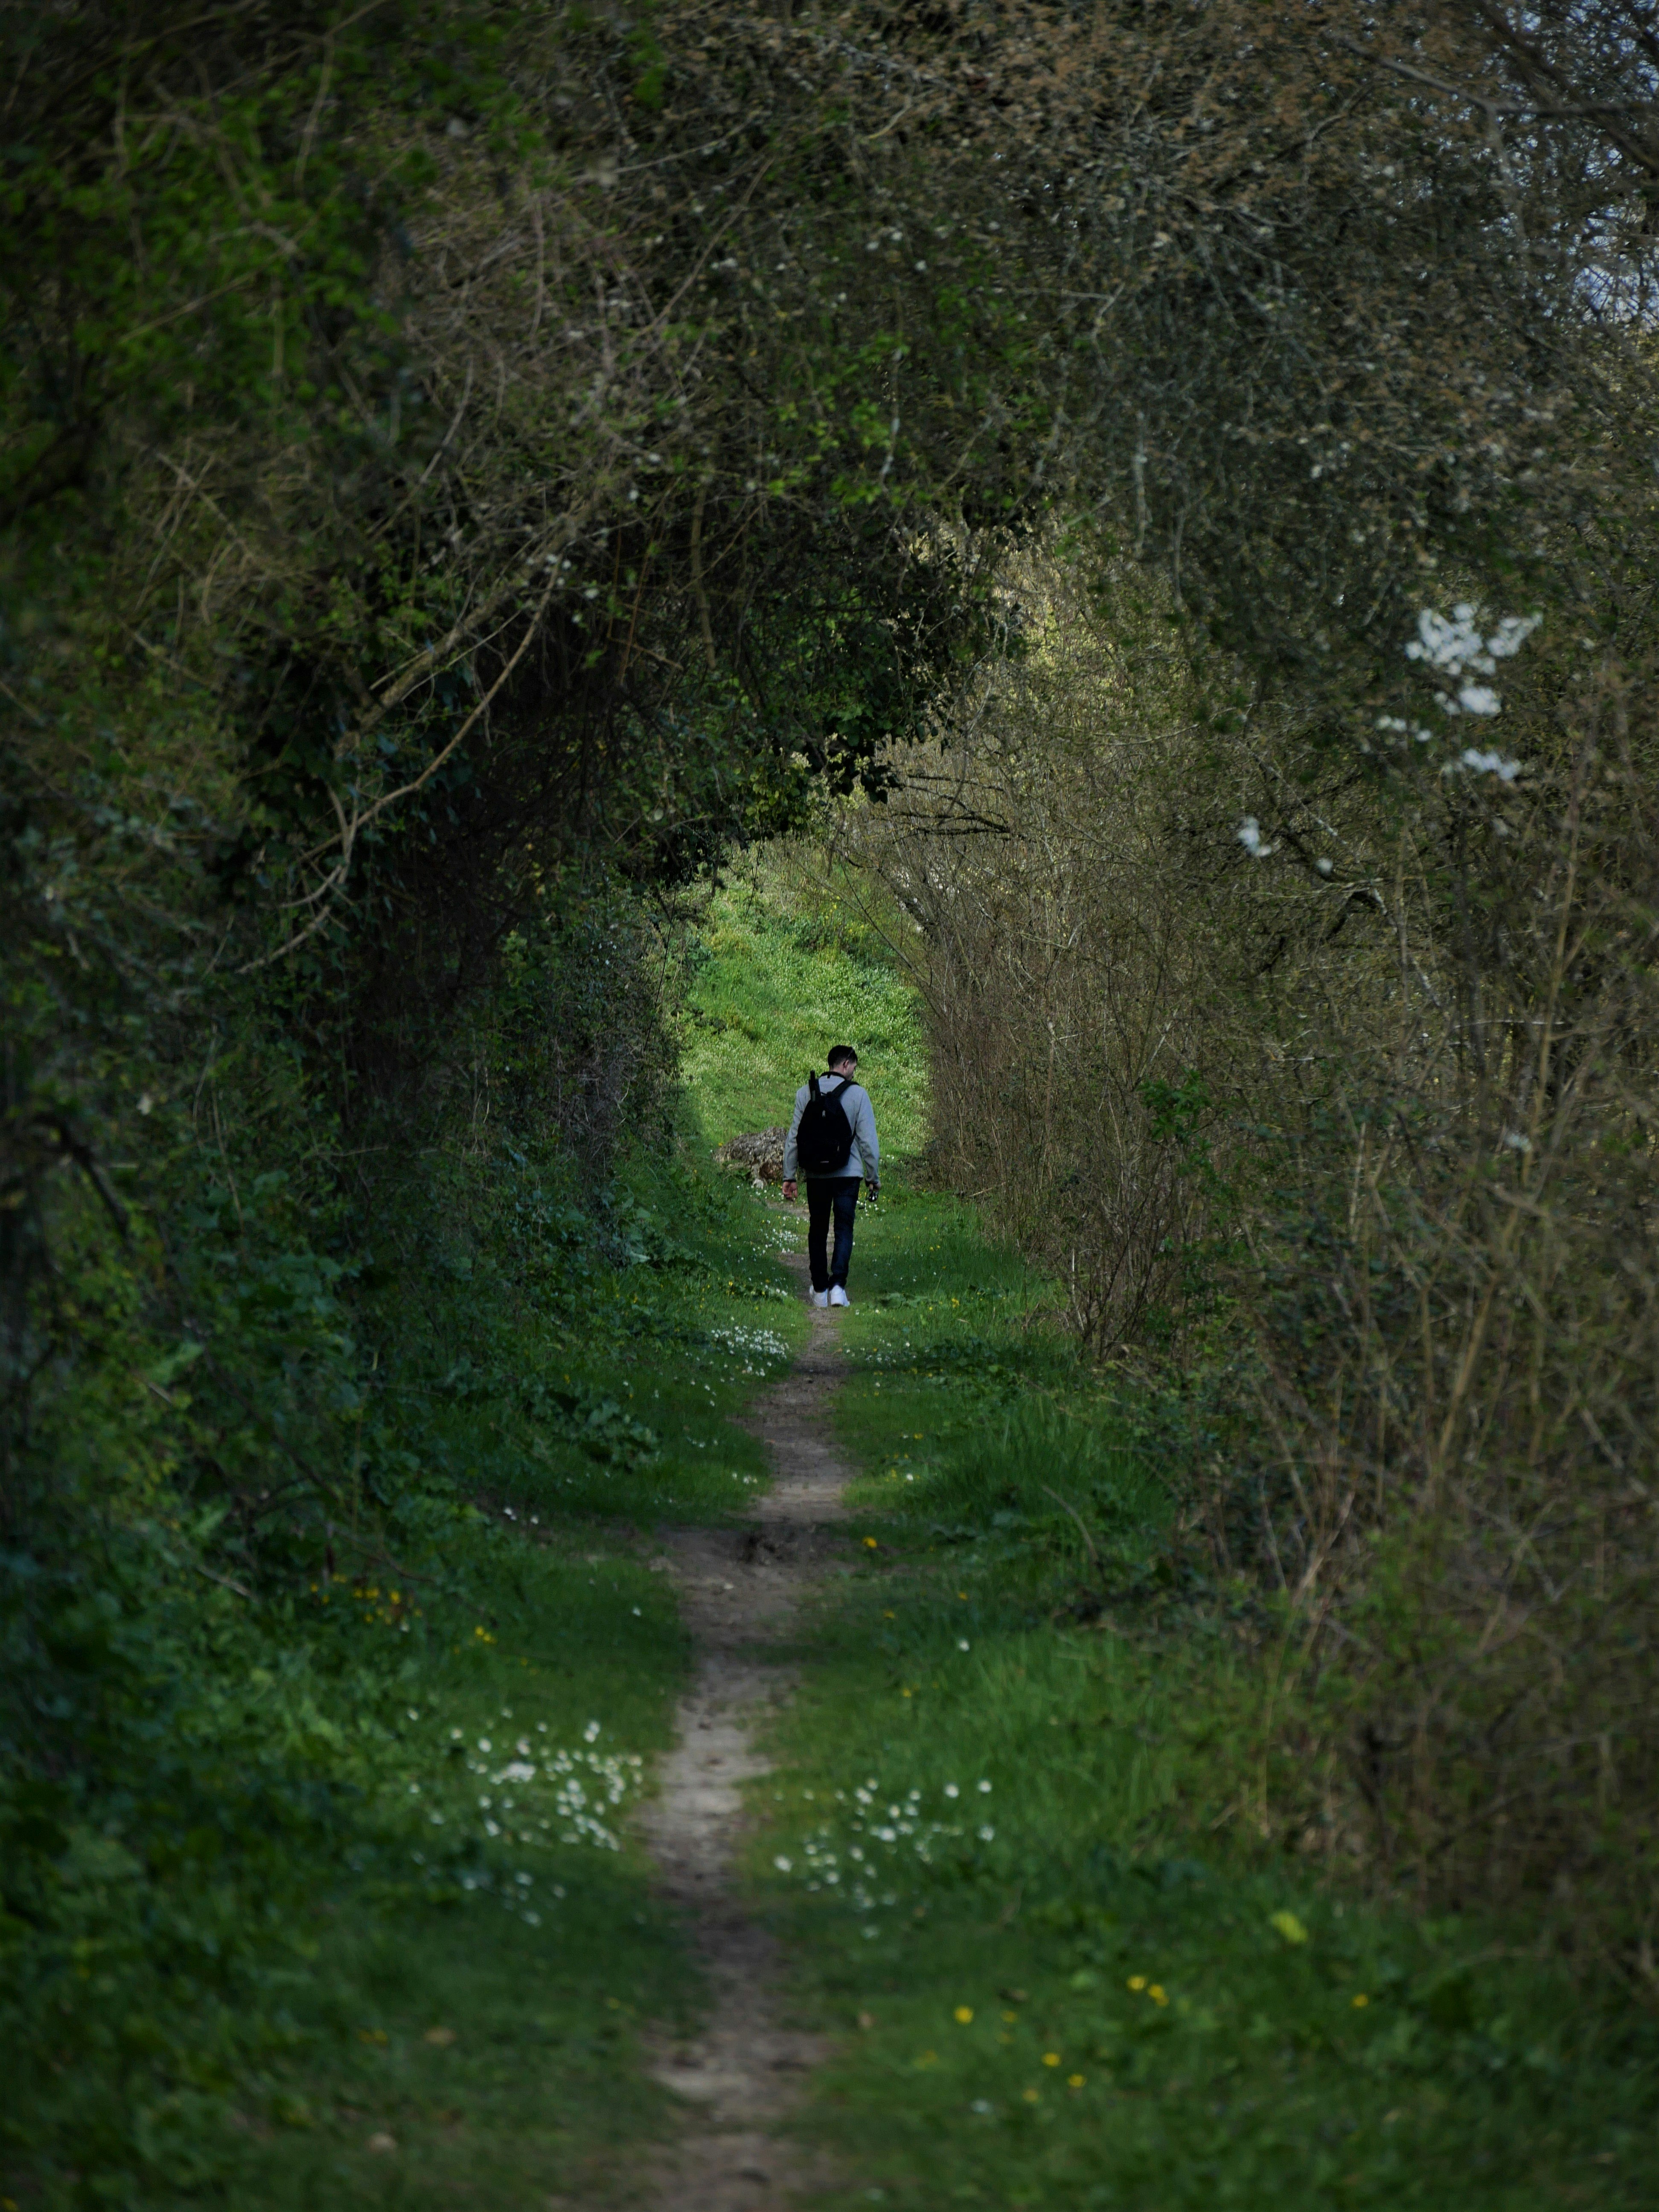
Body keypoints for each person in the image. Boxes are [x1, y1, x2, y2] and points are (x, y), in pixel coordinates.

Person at [781, 1045, 879, 1310]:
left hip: (816, 1173)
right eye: (854, 1068)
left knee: (818, 1227)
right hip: (848, 1174)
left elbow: (794, 1137)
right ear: (846, 1064)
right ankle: (838, 1288)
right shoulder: (858, 1094)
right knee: (844, 1228)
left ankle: (820, 1289)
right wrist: (873, 1177)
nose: (854, 1073)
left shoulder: (807, 1092)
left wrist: (789, 1175)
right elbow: (868, 1142)